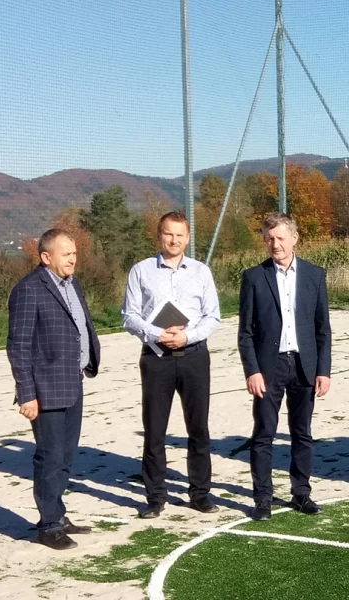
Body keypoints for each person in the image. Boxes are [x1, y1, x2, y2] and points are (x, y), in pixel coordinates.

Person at [122, 211, 221, 519]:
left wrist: (187, 336)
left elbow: (213, 316)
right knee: (154, 429)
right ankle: (155, 496)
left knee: (198, 428)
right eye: (168, 234)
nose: (174, 240)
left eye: (179, 235)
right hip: (156, 357)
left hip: (194, 356)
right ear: (159, 235)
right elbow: (129, 316)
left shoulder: (201, 272)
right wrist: (157, 334)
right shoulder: (141, 271)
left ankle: (200, 493)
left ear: (188, 238)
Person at [7, 229, 101, 550]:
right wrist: (27, 393)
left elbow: (80, 327)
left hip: (73, 380)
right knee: (50, 456)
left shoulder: (72, 284)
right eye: (66, 254)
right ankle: (48, 526)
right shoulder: (29, 290)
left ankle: (57, 515)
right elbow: (18, 346)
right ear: (46, 257)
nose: (73, 259)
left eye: (74, 253)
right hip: (45, 388)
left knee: (66, 455)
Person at [238, 212, 332, 522]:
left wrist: (323, 370)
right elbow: (245, 332)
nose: (275, 244)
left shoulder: (314, 275)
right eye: (269, 238)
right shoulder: (254, 277)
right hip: (269, 368)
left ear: (294, 238)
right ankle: (263, 498)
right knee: (264, 433)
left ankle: (301, 493)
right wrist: (252, 370)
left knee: (302, 433)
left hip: (304, 365)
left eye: (280, 238)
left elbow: (322, 329)